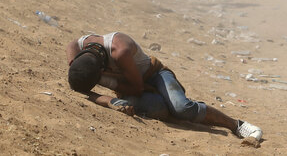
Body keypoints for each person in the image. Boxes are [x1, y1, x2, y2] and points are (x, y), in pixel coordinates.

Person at [66, 32, 263, 141]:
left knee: (181, 107)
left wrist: (108, 83)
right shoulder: (78, 49)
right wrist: (111, 101)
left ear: (101, 69)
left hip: (155, 75)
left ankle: (236, 124)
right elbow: (82, 88)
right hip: (130, 86)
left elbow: (137, 88)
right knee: (160, 109)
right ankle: (190, 115)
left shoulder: (120, 50)